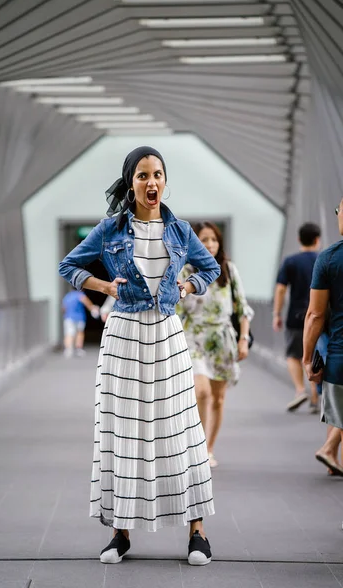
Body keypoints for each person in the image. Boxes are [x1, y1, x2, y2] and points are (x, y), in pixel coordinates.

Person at [59, 146, 221, 566]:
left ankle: (198, 532)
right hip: (124, 335)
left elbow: (210, 269)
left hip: (167, 335)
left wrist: (187, 288)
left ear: (165, 181)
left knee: (182, 429)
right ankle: (120, 533)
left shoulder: (181, 230)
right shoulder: (110, 229)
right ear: (131, 182)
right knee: (124, 433)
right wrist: (104, 287)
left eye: (158, 175)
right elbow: (69, 266)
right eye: (143, 176)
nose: (152, 183)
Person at [177, 222, 253, 468]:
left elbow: (242, 308)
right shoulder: (184, 270)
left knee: (218, 399)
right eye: (204, 239)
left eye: (214, 240)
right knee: (201, 392)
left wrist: (243, 339)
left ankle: (209, 448)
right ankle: (197, 448)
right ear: (194, 243)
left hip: (222, 340)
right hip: (193, 337)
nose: (209, 244)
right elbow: (175, 309)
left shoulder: (227, 269)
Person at [303, 199, 343, 478]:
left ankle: (330, 449)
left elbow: (315, 315)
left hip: (340, 357)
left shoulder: (329, 258)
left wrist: (308, 359)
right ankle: (330, 450)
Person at [273, 222, 321, 412]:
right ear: (318, 240)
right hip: (319, 315)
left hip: (296, 315)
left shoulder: (290, 261)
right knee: (316, 354)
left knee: (294, 355)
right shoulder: (323, 259)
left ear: (299, 239)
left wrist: (277, 313)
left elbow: (281, 289)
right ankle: (315, 396)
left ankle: (300, 390)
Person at [62, 288, 99, 357]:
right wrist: (93, 309)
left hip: (68, 317)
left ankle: (68, 349)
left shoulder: (67, 296)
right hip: (79, 317)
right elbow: (87, 303)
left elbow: (64, 308)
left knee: (69, 333)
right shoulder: (80, 295)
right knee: (80, 333)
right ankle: (78, 349)